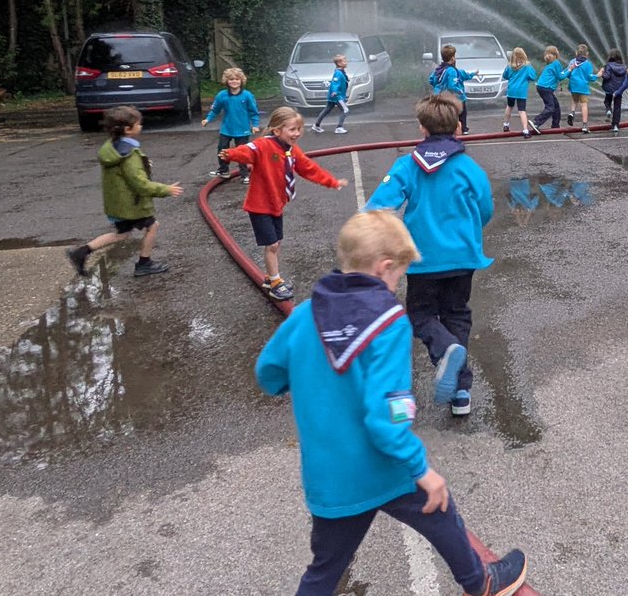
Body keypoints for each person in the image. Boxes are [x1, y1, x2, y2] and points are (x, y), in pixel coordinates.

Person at [254, 210, 528, 596]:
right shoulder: (388, 322)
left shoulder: (305, 314)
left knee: (324, 569)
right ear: (384, 268)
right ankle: (479, 581)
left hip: (329, 477)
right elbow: (386, 418)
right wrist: (422, 469)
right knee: (441, 510)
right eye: (399, 272)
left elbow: (268, 373)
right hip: (383, 468)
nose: (398, 281)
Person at [365, 93, 494, 416]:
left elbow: (378, 207)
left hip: (423, 260)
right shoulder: (469, 167)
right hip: (464, 257)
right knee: (457, 314)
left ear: (421, 128)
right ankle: (461, 392)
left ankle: (443, 349)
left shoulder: (406, 165)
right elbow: (486, 208)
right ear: (458, 128)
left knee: (421, 315)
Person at [220, 107, 346, 300]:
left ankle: (271, 278)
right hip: (259, 205)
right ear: (277, 130)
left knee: (276, 243)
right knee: (271, 245)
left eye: (299, 129)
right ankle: (276, 282)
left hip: (276, 204)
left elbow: (309, 168)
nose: (296, 134)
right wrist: (230, 154)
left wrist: (332, 182)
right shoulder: (264, 145)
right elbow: (247, 151)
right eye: (292, 129)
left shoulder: (292, 151)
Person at [66, 106, 184, 277]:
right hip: (132, 203)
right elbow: (139, 184)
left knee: (122, 234)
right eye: (139, 124)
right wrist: (166, 189)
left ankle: (81, 252)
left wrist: (144, 165)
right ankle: (144, 263)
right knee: (152, 226)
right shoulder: (129, 154)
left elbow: (124, 174)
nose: (141, 127)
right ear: (128, 129)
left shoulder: (112, 148)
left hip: (119, 203)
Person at [202, 66, 261, 183]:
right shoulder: (222, 95)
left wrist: (255, 125)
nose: (234, 81)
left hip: (243, 129)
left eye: (237, 79)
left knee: (242, 152)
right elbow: (215, 110)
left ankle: (244, 175)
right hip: (227, 129)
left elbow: (254, 112)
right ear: (226, 81)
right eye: (231, 79)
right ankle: (223, 170)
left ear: (241, 81)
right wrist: (208, 119)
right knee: (222, 149)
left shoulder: (247, 95)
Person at [429, 44, 476, 135]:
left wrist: (437, 87)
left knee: (444, 113)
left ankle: (443, 129)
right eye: (454, 56)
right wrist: (460, 91)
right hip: (454, 97)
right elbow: (452, 85)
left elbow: (431, 79)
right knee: (461, 113)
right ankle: (463, 129)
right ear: (452, 58)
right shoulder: (452, 71)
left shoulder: (438, 69)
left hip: (439, 95)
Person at [500, 47, 537, 138]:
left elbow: (505, 76)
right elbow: (533, 77)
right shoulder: (527, 67)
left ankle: (506, 125)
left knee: (509, 107)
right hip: (521, 92)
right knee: (522, 110)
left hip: (511, 90)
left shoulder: (509, 66)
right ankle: (525, 130)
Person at [560, 43, 597, 133]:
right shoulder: (588, 64)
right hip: (583, 87)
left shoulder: (572, 61)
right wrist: (596, 76)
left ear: (576, 52)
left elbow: (568, 73)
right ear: (587, 53)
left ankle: (572, 112)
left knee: (574, 99)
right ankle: (584, 125)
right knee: (584, 105)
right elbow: (590, 77)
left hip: (573, 85)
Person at [310, 54, 351, 134]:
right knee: (345, 110)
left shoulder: (340, 72)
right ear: (339, 63)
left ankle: (316, 125)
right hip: (337, 96)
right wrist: (335, 91)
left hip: (334, 95)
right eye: (344, 61)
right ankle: (339, 127)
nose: (346, 62)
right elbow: (335, 82)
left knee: (327, 109)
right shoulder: (338, 73)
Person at [528, 45, 564, 134]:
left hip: (541, 87)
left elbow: (560, 74)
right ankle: (536, 122)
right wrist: (570, 70)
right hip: (546, 88)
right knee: (550, 107)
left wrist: (569, 70)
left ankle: (555, 126)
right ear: (556, 54)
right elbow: (561, 76)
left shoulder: (551, 64)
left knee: (556, 107)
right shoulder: (556, 63)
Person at [600, 48, 627, 134]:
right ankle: (615, 125)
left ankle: (608, 110)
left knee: (607, 101)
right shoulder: (624, 67)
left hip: (609, 89)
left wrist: (602, 73)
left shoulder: (608, 65)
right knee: (617, 106)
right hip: (619, 90)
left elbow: (607, 76)